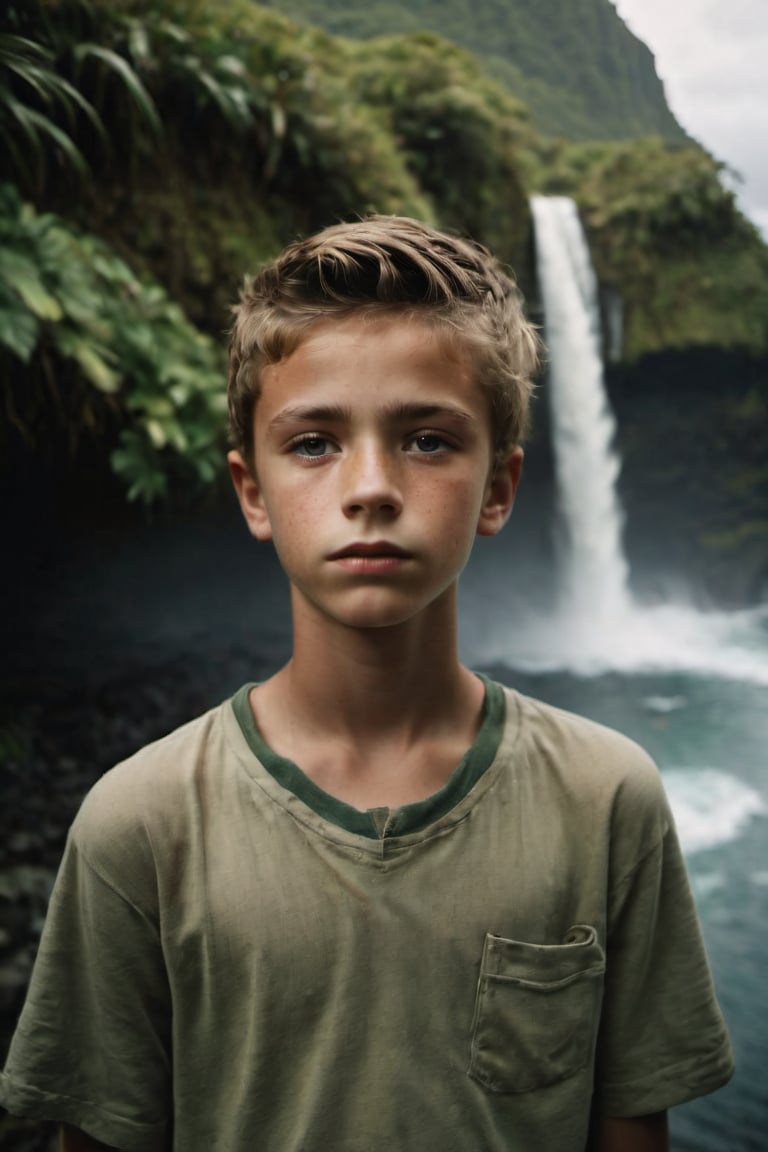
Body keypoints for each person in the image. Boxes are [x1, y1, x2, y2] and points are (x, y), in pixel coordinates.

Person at [0, 216, 733, 1152]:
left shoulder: (605, 801)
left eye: (427, 440)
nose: (372, 487)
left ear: (500, 488)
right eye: (313, 444)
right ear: (252, 491)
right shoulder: (141, 823)